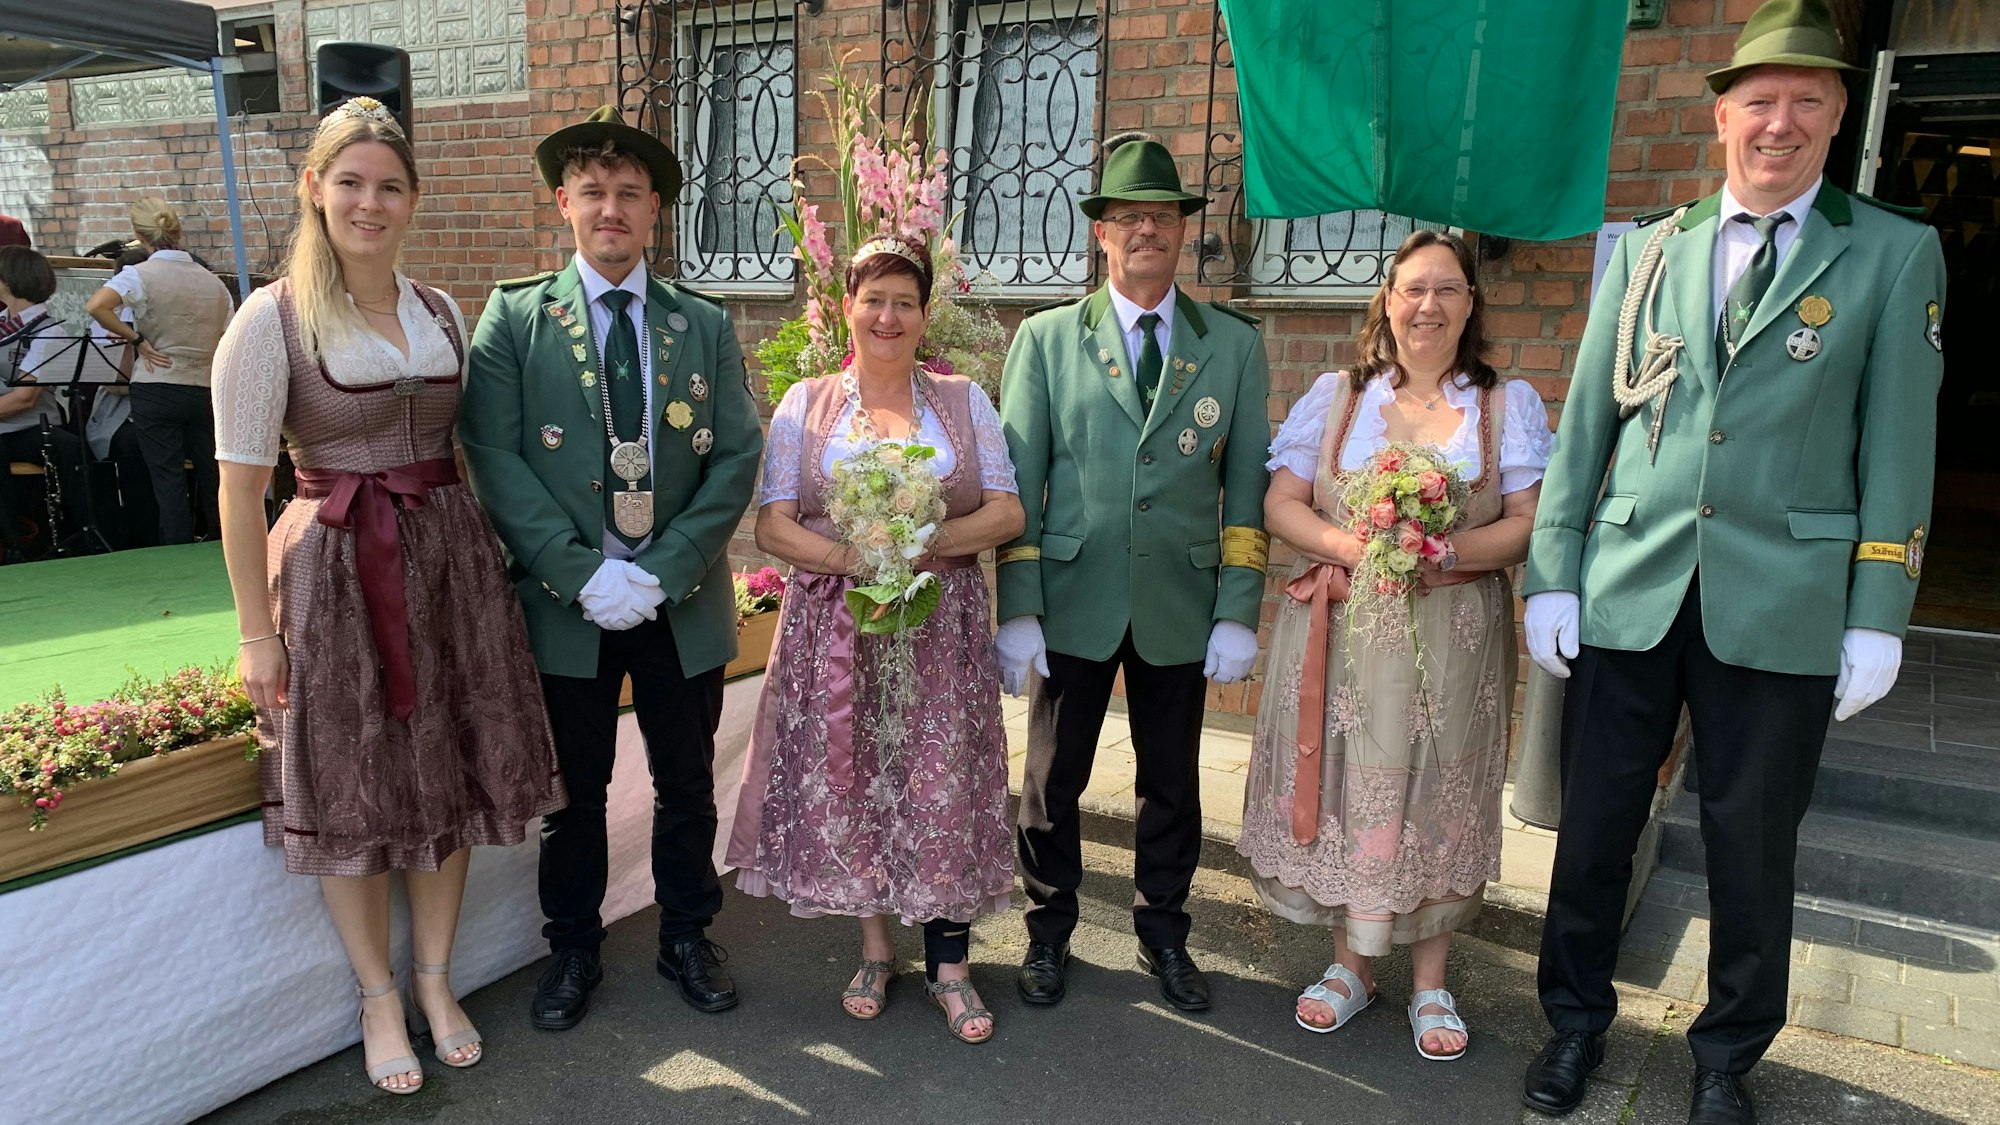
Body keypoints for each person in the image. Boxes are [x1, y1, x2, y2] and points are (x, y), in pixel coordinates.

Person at [1519, 2, 1946, 1122]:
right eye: (1759, 100)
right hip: (1630, 587)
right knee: (1594, 831)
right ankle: (1571, 1027)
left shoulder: (1892, 253)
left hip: (1787, 599)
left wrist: (1878, 608)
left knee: (1750, 847)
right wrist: (1553, 567)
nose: (1779, 121)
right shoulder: (1650, 249)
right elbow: (1585, 429)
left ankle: (1724, 1060)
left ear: (1838, 115)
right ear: (1720, 116)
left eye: (1807, 101)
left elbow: (1901, 444)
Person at [210, 97, 567, 1097]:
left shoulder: (441, 309)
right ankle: (376, 996)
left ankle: (437, 980)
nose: (371, 202)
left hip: (450, 565)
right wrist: (255, 633)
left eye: (390, 186)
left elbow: (476, 444)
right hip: (334, 570)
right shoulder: (268, 319)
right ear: (314, 189)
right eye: (351, 182)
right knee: (355, 779)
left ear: (413, 199)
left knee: (446, 768)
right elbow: (239, 491)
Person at [459, 105, 764, 1032]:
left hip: (680, 602)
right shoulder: (515, 317)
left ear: (655, 212)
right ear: (564, 203)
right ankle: (574, 947)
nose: (612, 210)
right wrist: (579, 571)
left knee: (685, 783)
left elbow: (736, 456)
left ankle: (684, 935)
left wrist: (663, 569)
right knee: (574, 793)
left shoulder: (701, 322)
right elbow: (492, 452)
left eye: (631, 195)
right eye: (594, 192)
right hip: (568, 604)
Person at [1237, 230, 1551, 1060]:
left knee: (1436, 790)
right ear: (1387, 299)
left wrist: (1436, 550)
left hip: (1452, 633)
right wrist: (1359, 550)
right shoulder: (1338, 395)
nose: (1429, 306)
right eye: (1413, 288)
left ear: (1471, 305)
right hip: (1342, 627)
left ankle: (1430, 980)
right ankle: (1348, 967)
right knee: (1349, 782)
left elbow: (1524, 526)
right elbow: (1283, 504)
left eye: (1448, 290)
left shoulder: (1502, 404)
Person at [995, 132, 1272, 1012]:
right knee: (1051, 782)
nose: (1145, 229)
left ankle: (1163, 934)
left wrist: (1238, 606)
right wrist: (1018, 604)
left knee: (1171, 784)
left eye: (1160, 215)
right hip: (1072, 598)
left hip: (1179, 603)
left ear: (1183, 231)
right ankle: (1046, 932)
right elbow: (1018, 478)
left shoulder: (1230, 345)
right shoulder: (1043, 341)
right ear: (1102, 234)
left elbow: (1248, 486)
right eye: (1127, 216)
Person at [727, 234, 1022, 1045]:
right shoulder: (806, 404)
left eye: (905, 300)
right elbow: (773, 523)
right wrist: (854, 555)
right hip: (838, 625)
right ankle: (872, 947)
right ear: (847, 309)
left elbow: (1006, 510)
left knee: (943, 779)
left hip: (940, 623)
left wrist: (922, 542)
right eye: (874, 299)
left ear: (926, 314)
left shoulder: (962, 400)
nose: (888, 315)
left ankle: (951, 967)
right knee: (855, 777)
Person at [87, 196, 234, 544]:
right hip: (205, 386)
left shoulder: (137, 275)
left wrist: (137, 339)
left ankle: (176, 550)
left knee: (167, 479)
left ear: (139, 234)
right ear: (178, 231)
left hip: (157, 384)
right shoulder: (213, 282)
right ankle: (223, 541)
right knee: (213, 474)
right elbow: (229, 336)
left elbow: (97, 306)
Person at [0, 245, 90, 555]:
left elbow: (24, 398)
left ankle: (16, 542)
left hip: (29, 427)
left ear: (8, 281)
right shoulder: (2, 322)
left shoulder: (50, 333)